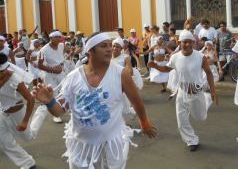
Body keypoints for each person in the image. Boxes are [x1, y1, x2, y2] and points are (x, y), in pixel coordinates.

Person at [32, 32, 157, 169]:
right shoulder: (73, 77)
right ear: (90, 51)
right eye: (104, 46)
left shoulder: (121, 74)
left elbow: (136, 100)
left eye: (110, 45)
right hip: (81, 146)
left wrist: (144, 123)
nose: (109, 49)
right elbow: (59, 111)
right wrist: (49, 101)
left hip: (111, 145)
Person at [148, 30, 218, 152]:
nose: (187, 45)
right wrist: (156, 66)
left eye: (190, 42)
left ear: (193, 43)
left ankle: (206, 100)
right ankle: (191, 140)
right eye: (184, 42)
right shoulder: (175, 57)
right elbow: (166, 68)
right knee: (181, 121)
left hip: (197, 92)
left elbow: (208, 73)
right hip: (182, 92)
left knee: (201, 118)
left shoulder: (200, 57)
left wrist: (213, 91)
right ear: (180, 43)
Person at [0, 53, 48, 169]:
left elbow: (30, 99)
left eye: (3, 70)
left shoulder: (15, 79)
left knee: (28, 137)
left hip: (18, 113)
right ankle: (28, 163)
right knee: (5, 142)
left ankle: (42, 110)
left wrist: (25, 121)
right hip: (2, 112)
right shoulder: (4, 76)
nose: (3, 72)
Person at [38, 30, 66, 123]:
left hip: (60, 73)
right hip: (49, 75)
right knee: (53, 94)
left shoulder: (61, 46)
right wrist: (53, 69)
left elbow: (61, 59)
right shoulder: (43, 50)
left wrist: (61, 67)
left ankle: (64, 108)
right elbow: (40, 65)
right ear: (51, 38)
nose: (59, 38)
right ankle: (56, 115)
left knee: (64, 90)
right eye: (56, 37)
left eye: (60, 37)